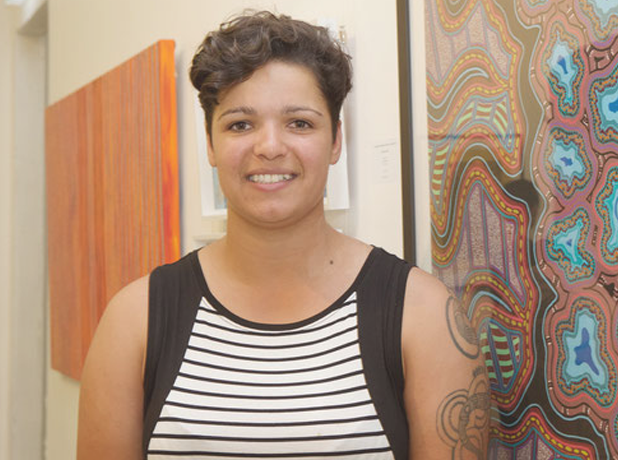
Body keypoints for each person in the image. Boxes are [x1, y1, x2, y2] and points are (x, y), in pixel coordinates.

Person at [77, 11, 489, 460]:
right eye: (240, 124)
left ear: (335, 141)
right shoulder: (136, 319)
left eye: (299, 123)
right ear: (210, 146)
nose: (270, 147)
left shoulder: (422, 315)